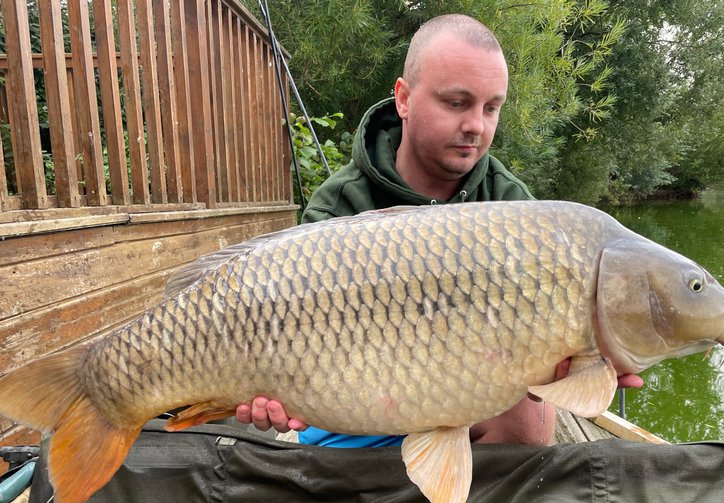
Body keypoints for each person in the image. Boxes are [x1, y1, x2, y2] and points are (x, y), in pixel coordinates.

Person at [235, 14, 642, 446]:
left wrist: (568, 369)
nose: (476, 126)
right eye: (456, 103)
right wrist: (271, 394)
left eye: (491, 108)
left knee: (530, 416)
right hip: (352, 397)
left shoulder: (509, 202)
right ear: (404, 99)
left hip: (470, 393)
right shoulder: (340, 205)